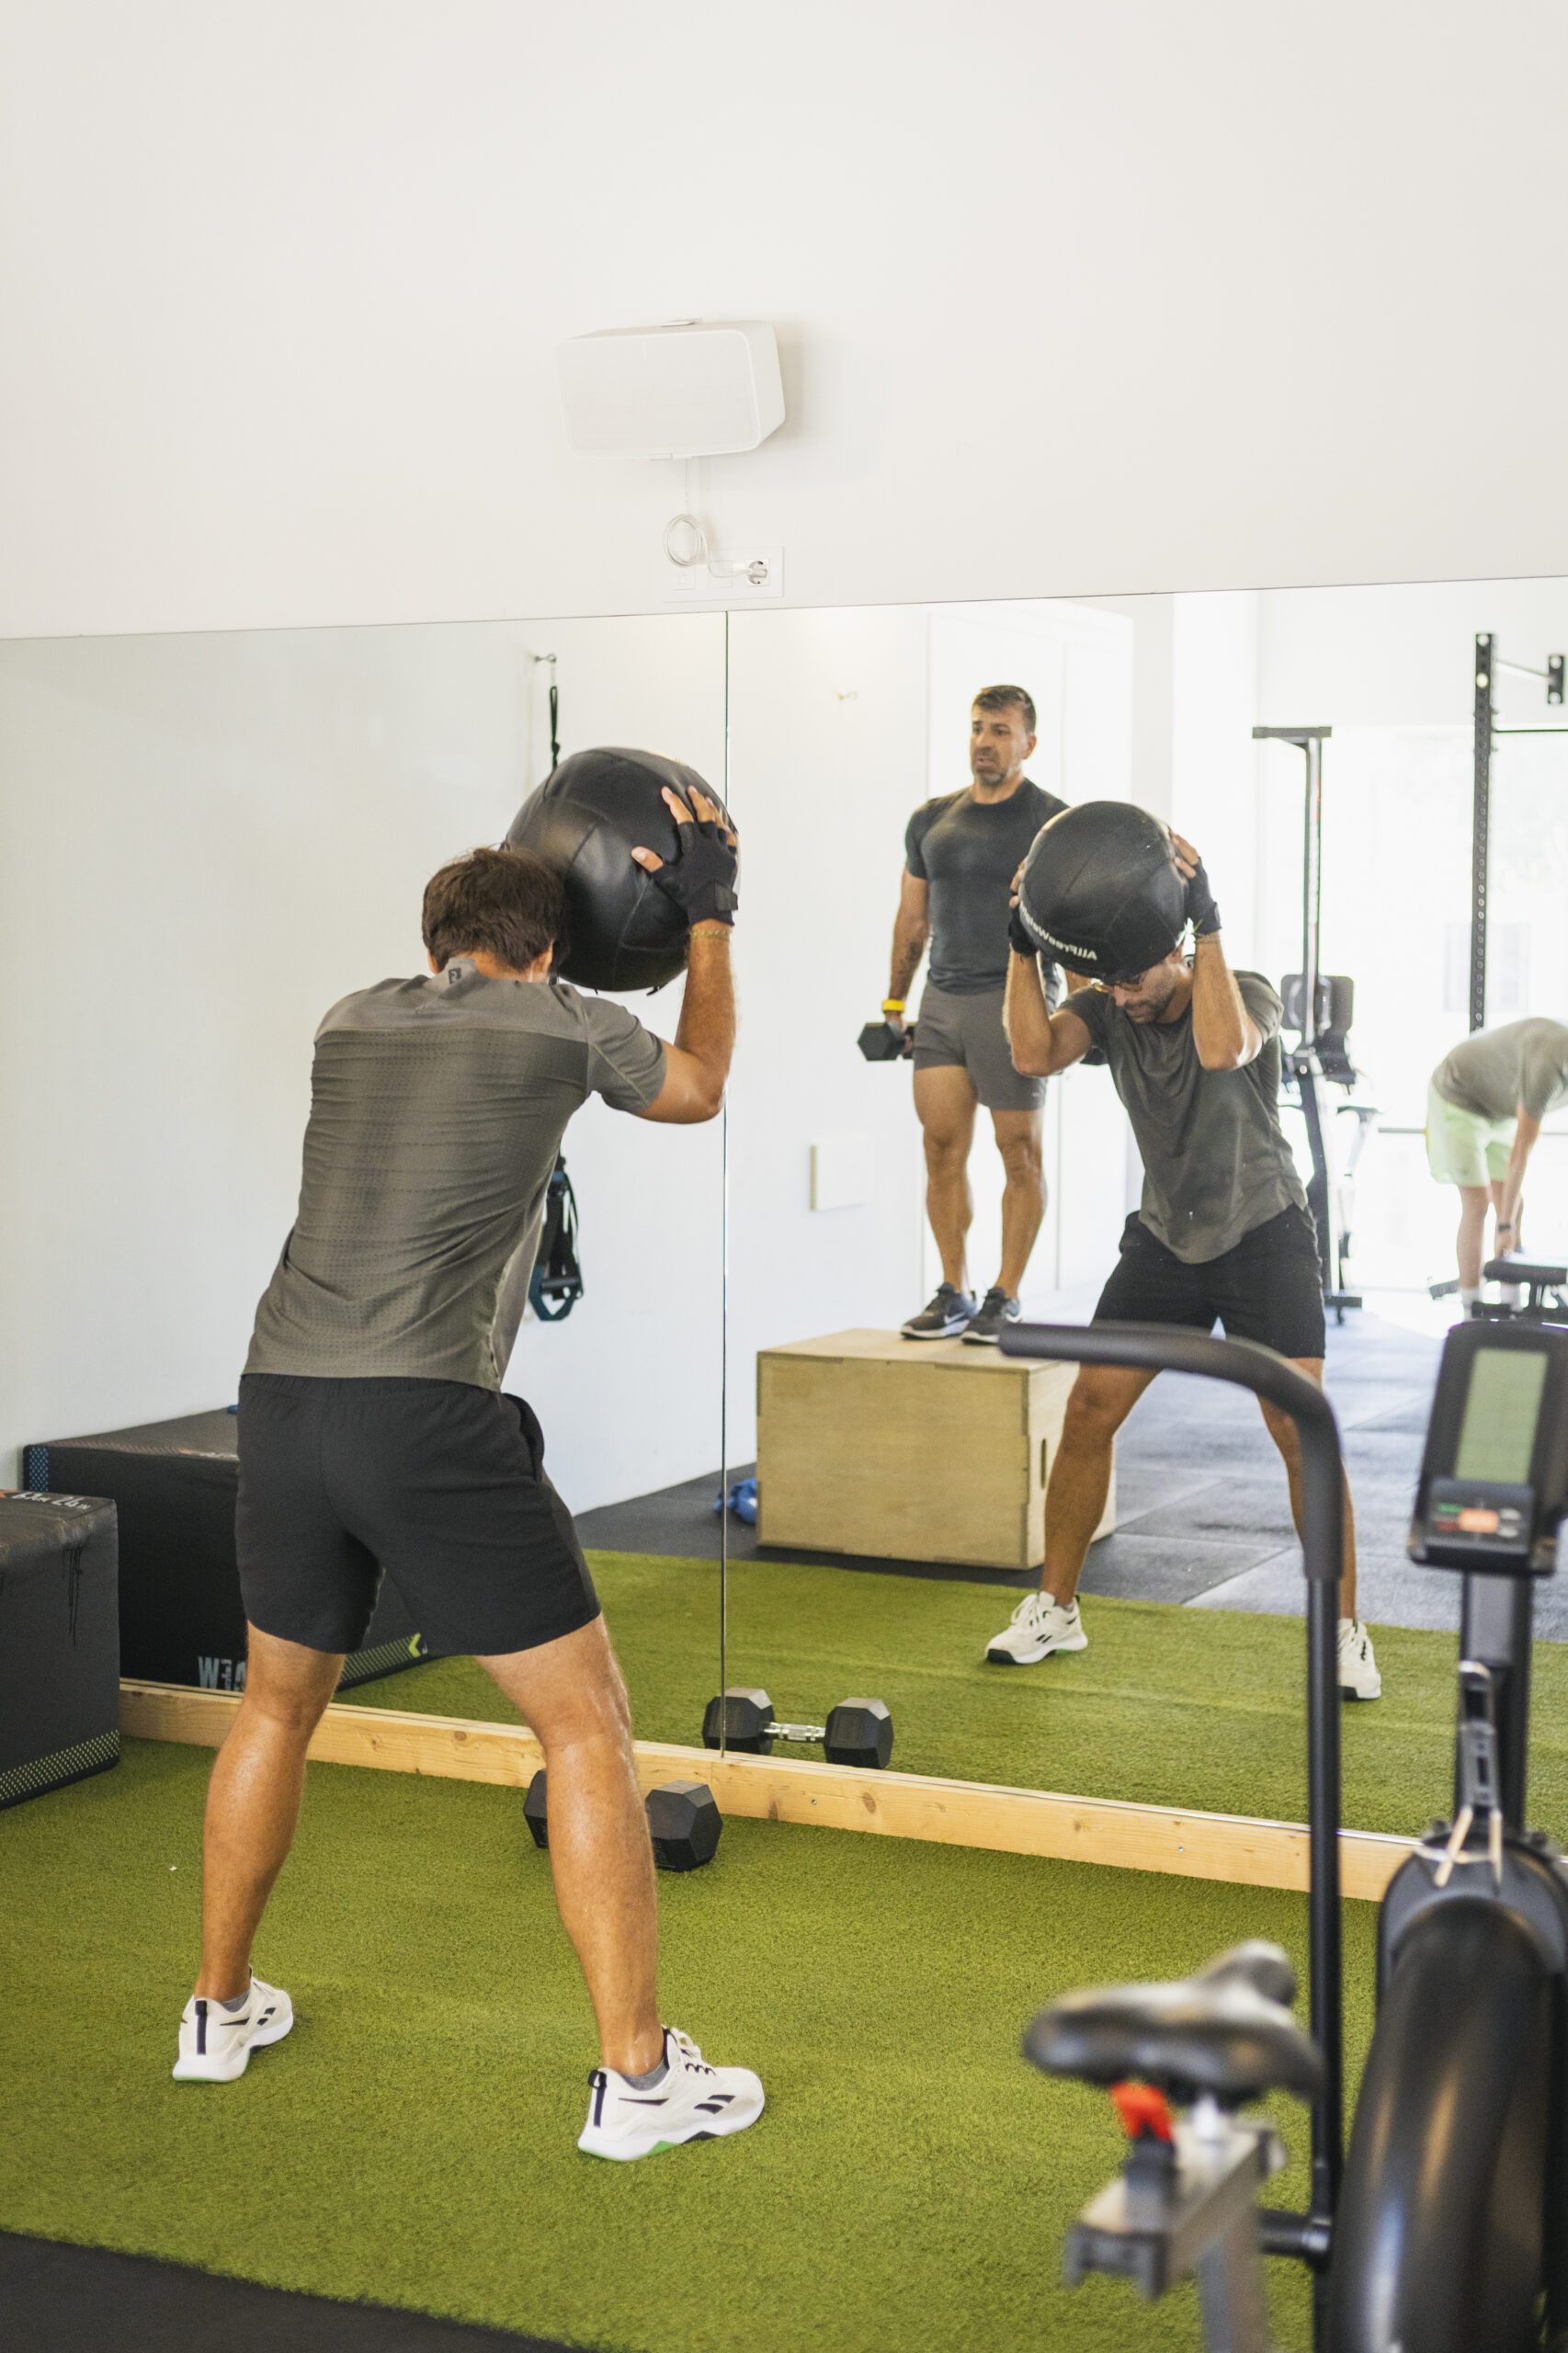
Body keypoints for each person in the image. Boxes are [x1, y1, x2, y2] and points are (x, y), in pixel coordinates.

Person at [171, 790, 767, 2163]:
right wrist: (712, 917)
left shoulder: (348, 1016)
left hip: (277, 1398)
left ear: (434, 936)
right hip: (424, 1414)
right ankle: (635, 2081)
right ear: (555, 949)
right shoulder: (564, 1025)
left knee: (276, 1703)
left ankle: (218, 2008)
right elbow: (698, 1086)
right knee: (587, 1729)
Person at [988, 827, 1381, 1700]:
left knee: (1299, 1428)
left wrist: (1206, 922)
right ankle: (1056, 1607)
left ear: (1170, 951)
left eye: (1134, 977)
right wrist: (1022, 948)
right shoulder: (1105, 1007)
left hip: (1264, 1230)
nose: (1122, 996)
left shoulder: (1240, 990)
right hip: (1166, 1237)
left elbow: (1220, 1049)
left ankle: (1344, 1631)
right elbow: (1028, 1054)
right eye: (1111, 979)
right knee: (1088, 1410)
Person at [885, 685, 1067, 1345]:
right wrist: (892, 1005)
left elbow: (1071, 917)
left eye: (998, 730)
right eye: (976, 729)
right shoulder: (931, 819)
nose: (983, 742)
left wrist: (1082, 1008)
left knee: (1018, 1152)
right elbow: (912, 919)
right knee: (939, 1149)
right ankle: (954, 1290)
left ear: (1028, 743)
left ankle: (1006, 1294)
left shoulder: (1051, 822)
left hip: (1013, 1000)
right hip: (942, 1001)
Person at [1426, 1017, 1568, 1310]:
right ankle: (1471, 1312)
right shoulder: (1548, 1066)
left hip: (1498, 1106)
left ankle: (1512, 1310)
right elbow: (1521, 1150)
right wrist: (1504, 1225)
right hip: (1458, 1093)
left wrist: (1508, 1218)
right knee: (1478, 1204)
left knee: (1514, 1205)